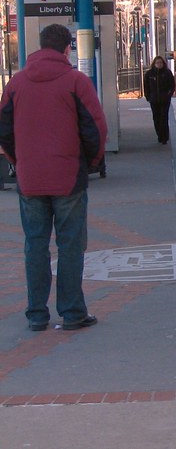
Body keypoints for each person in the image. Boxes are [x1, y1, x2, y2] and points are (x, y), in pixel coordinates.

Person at [0, 23, 108, 331]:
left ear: (40, 46)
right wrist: (90, 162)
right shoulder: (76, 81)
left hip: (30, 178)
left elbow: (4, 129)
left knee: (35, 245)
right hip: (67, 176)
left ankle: (36, 314)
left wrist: (20, 161)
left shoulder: (16, 83)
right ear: (66, 48)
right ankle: (72, 312)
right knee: (70, 245)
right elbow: (95, 129)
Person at [143, 55, 175, 144]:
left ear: (163, 64)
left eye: (160, 63)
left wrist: (169, 95)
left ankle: (164, 137)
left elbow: (172, 85)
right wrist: (148, 96)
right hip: (154, 100)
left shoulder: (167, 73)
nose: (159, 64)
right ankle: (159, 134)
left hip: (165, 100)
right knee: (156, 118)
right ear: (154, 64)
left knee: (164, 117)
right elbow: (146, 86)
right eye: (157, 63)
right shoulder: (149, 74)